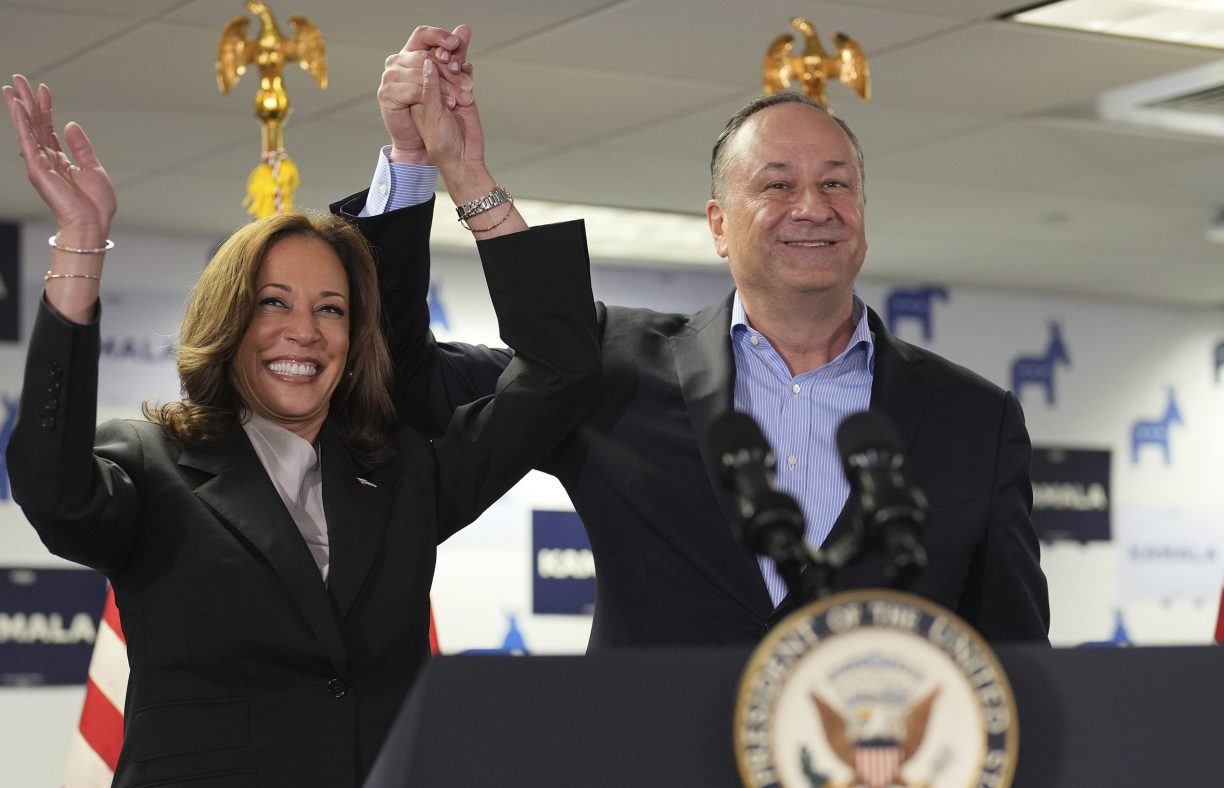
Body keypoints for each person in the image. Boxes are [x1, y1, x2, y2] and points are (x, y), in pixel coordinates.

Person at [340, 27, 1049, 648]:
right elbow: (409, 380)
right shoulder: (608, 367)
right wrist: (424, 166)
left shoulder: (976, 420)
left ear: (863, 212)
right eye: (776, 185)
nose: (813, 206)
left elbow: (1013, 659)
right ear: (717, 224)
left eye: (837, 185)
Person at [2, 63, 598, 788]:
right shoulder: (151, 464)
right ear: (229, 322)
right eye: (274, 304)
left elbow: (562, 372)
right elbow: (52, 488)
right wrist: (81, 243)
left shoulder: (406, 472)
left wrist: (466, 177)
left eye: (331, 309)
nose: (304, 332)